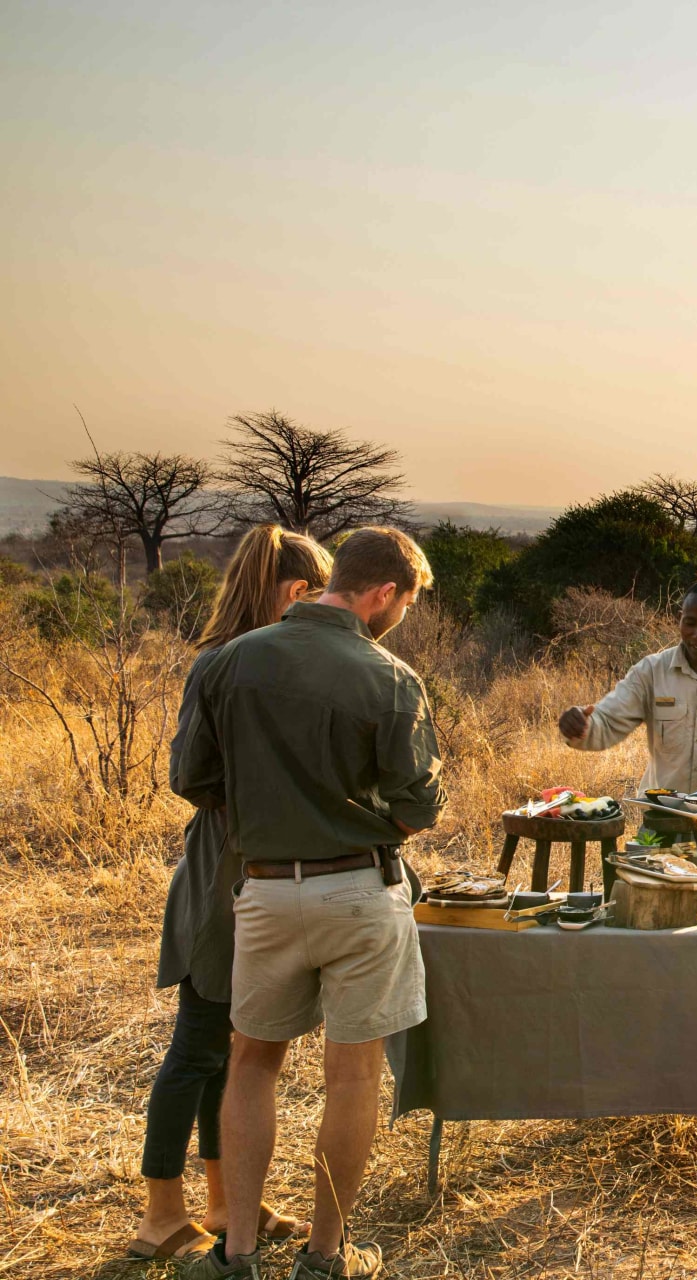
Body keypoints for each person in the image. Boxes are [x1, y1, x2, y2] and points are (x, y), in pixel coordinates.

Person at [174, 527, 443, 1280]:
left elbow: (192, 779)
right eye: (405, 604)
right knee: (351, 1076)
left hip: (263, 888)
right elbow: (419, 804)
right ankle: (325, 1257)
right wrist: (365, 822)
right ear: (383, 593)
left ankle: (237, 1255)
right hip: (360, 889)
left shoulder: (229, 662)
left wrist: (270, 810)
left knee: (253, 1063)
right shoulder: (389, 677)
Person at [134, 526, 330, 1263]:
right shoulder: (224, 663)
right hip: (224, 872)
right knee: (197, 1045)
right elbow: (191, 778)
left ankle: (223, 1203)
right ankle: (160, 1212)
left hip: (252, 871)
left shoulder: (256, 660)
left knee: (236, 1048)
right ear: (296, 593)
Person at [557, 579, 697, 887]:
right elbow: (608, 722)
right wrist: (581, 728)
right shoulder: (651, 671)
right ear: (679, 619)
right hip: (661, 830)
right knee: (656, 926)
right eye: (690, 623)